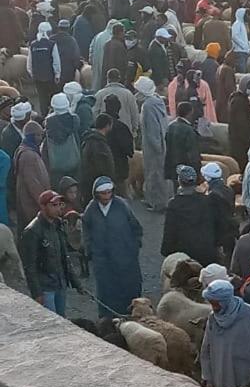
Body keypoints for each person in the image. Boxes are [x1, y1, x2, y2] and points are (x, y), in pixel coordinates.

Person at [200, 279, 250, 387]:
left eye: (216, 304)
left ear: (225, 301)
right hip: (219, 378)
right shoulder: (213, 318)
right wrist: (208, 379)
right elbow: (206, 350)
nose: (213, 307)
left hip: (244, 379)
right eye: (211, 303)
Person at [81, 176, 143, 317]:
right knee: (107, 294)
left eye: (109, 192)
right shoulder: (91, 210)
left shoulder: (122, 206)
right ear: (96, 194)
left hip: (126, 259)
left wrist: (133, 247)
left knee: (129, 291)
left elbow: (136, 228)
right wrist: (91, 251)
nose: (106, 196)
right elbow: (86, 232)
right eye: (103, 193)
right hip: (103, 262)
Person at [19, 189, 80, 315]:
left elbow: (64, 257)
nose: (58, 208)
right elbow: (29, 266)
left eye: (59, 205)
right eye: (53, 205)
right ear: (43, 207)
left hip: (60, 284)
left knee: (62, 320)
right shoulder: (33, 231)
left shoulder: (58, 225)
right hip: (45, 287)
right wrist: (36, 293)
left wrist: (76, 282)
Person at [161, 165, 223, 267]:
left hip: (183, 255)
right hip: (206, 252)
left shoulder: (174, 204)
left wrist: (166, 250)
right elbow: (215, 225)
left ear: (179, 181)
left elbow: (170, 230)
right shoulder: (207, 201)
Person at [137, 76, 171, 211]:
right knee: (157, 173)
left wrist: (156, 148)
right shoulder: (158, 100)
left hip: (153, 146)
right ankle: (153, 198)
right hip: (162, 143)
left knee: (154, 174)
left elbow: (152, 129)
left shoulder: (148, 106)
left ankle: (158, 203)